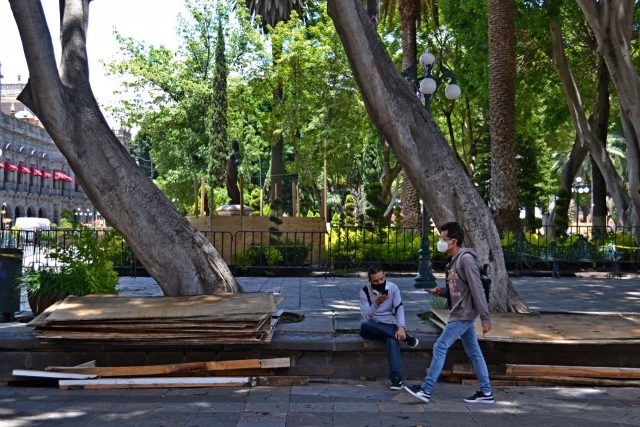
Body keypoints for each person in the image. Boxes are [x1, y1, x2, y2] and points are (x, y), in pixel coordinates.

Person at [404, 222, 494, 404]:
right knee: (474, 352)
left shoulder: (466, 259)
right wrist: (442, 292)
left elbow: (477, 288)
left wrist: (485, 317)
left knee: (440, 346)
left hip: (464, 313)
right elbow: (461, 289)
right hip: (461, 310)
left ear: (453, 241)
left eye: (443, 239)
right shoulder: (453, 260)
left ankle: (426, 389)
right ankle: (486, 393)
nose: (440, 242)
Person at [359, 264, 419, 390]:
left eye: (382, 279)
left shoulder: (393, 288)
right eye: (376, 281)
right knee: (365, 324)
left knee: (392, 340)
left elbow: (399, 308)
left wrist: (401, 327)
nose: (380, 282)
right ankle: (406, 338)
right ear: (370, 281)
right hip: (372, 327)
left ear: (384, 276)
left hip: (389, 325)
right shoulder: (364, 292)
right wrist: (376, 303)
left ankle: (396, 379)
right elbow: (366, 317)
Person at [225, 140, 241, 205]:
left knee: (233, 185)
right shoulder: (233, 152)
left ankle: (237, 199)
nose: (232, 145)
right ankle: (233, 198)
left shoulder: (236, 153)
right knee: (228, 184)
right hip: (229, 171)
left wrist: (231, 160)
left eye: (233, 144)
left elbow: (238, 161)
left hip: (232, 172)